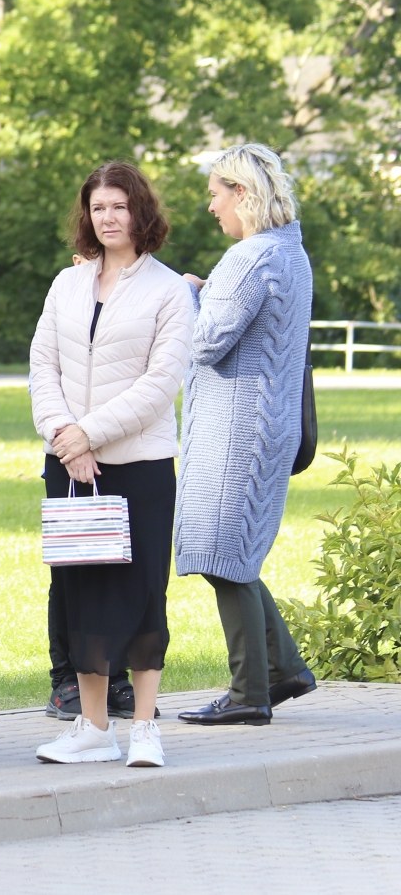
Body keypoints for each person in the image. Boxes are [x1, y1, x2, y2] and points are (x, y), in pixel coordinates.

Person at [29, 163, 194, 767]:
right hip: (70, 465)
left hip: (138, 465)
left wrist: (86, 434)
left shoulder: (169, 290)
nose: (108, 218)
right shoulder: (64, 285)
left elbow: (160, 383)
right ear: (87, 215)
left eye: (119, 207)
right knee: (81, 592)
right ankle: (94, 728)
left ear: (140, 212)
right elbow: (42, 365)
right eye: (99, 208)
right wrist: (64, 437)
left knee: (143, 592)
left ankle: (145, 728)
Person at [174, 143, 317, 726]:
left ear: (241, 192)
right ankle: (284, 669)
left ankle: (248, 694)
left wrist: (187, 293)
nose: (211, 207)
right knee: (234, 553)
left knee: (223, 553)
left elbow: (206, 341)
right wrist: (208, 293)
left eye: (215, 193)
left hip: (236, 431)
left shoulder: (250, 256)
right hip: (268, 425)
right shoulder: (290, 253)